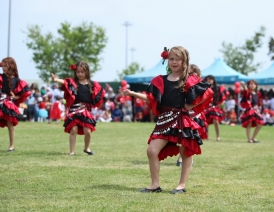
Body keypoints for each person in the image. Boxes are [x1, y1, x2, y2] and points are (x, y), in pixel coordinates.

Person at [123, 47, 213, 194]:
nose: (174, 62)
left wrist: (189, 106)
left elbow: (207, 93)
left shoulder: (189, 80)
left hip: (182, 120)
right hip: (164, 121)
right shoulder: (160, 80)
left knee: (185, 152)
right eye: (171, 59)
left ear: (184, 62)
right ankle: (154, 185)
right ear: (167, 60)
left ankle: (181, 185)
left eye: (178, 59)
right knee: (152, 150)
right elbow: (151, 99)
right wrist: (132, 93)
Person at [51, 61, 106, 156]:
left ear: (87, 72)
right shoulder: (73, 83)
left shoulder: (92, 84)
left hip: (85, 110)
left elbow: (100, 92)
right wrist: (56, 79)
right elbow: (65, 82)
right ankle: (72, 151)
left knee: (88, 131)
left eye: (82, 72)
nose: (79, 74)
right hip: (74, 109)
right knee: (73, 130)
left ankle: (87, 148)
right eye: (78, 72)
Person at [0, 57, 31, 151]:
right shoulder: (1, 77)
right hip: (0, 101)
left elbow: (24, 93)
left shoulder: (17, 80)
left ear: (11, 66)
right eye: (2, 66)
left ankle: (11, 146)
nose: (3, 68)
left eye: (5, 66)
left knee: (10, 125)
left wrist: (15, 97)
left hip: (9, 104)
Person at [203, 75, 227, 141]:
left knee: (215, 121)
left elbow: (223, 99)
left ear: (213, 80)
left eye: (211, 79)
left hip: (215, 108)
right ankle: (206, 136)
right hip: (206, 108)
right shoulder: (204, 88)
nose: (209, 80)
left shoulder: (218, 88)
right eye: (208, 79)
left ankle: (218, 136)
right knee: (205, 122)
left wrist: (223, 107)